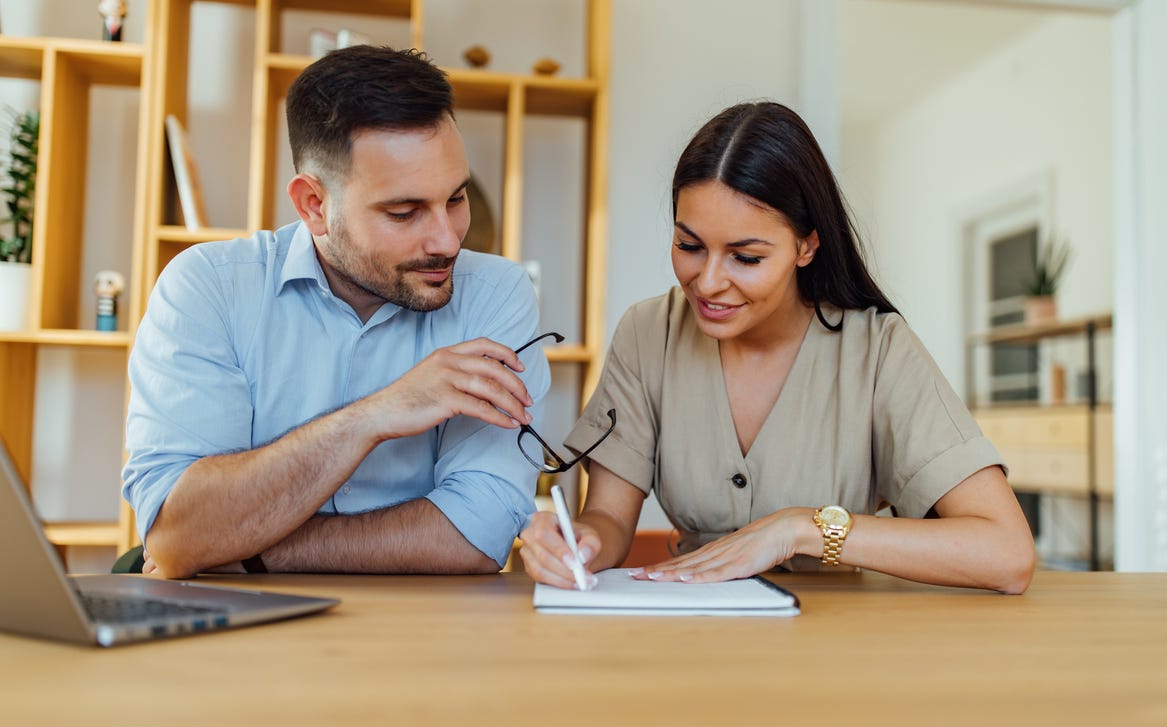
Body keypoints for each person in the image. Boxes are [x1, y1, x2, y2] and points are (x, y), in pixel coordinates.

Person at [519, 101, 1036, 594]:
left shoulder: (878, 350)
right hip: (693, 637)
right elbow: (607, 517)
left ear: (806, 245)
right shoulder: (647, 333)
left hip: (836, 652)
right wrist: (579, 544)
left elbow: (1007, 553)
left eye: (745, 257)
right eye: (689, 246)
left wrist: (800, 529)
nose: (709, 282)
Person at [123, 46, 549, 579]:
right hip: (239, 639)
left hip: (424, 634)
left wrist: (248, 548)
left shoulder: (496, 295)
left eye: (456, 198)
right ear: (313, 206)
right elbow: (178, 534)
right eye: (404, 211)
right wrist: (375, 416)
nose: (447, 239)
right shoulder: (209, 287)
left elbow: (479, 535)